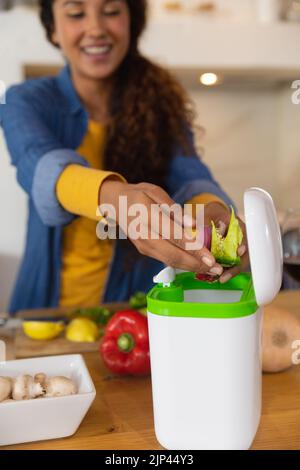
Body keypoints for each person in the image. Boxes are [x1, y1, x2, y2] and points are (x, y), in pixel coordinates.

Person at [0, 0, 248, 314]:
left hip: (133, 311)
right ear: (53, 31)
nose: (96, 29)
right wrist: (119, 200)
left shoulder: (160, 106)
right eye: (76, 14)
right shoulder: (24, 100)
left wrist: (213, 212)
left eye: (112, 11)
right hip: (46, 314)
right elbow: (41, 166)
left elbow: (190, 176)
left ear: (133, 21)